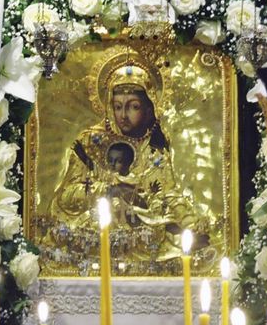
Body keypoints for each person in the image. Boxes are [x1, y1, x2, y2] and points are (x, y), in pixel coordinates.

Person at [49, 62, 212, 260]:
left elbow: (168, 194)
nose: (123, 116)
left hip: (144, 230)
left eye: (133, 107)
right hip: (98, 228)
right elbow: (65, 196)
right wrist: (107, 191)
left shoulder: (156, 149)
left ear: (149, 108)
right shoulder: (90, 143)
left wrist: (189, 223)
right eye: (118, 107)